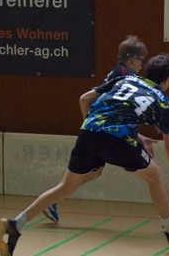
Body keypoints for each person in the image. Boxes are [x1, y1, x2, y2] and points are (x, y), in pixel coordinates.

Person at [0, 53, 169, 256]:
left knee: (66, 186)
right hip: (117, 139)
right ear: (167, 80)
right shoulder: (162, 100)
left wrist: (100, 132)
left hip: (88, 133)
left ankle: (16, 225)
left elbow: (85, 99)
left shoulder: (125, 79)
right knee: (155, 174)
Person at [43, 34, 150, 224]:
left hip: (101, 130)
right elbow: (85, 99)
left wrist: (138, 135)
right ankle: (51, 201)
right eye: (141, 61)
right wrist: (90, 126)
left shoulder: (118, 71)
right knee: (84, 175)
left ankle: (52, 200)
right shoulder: (126, 76)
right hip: (101, 132)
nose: (142, 66)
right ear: (133, 59)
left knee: (95, 172)